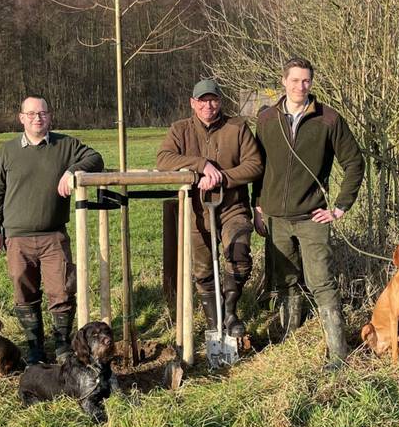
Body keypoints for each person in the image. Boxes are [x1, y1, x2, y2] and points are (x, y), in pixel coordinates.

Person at [253, 57, 364, 368]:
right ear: (283, 81)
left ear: (311, 83)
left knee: (322, 281)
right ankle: (290, 340)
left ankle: (338, 355)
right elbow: (258, 166)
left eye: (306, 81)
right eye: (294, 80)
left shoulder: (328, 120)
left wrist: (340, 207)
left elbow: (354, 163)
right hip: (274, 216)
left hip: (312, 217)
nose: (300, 86)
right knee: (284, 280)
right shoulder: (266, 119)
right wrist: (258, 205)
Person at [0, 96, 103, 364]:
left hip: (54, 235)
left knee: (61, 290)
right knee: (23, 291)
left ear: (49, 117)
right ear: (22, 118)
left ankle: (62, 345)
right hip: (17, 237)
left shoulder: (65, 145)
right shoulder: (8, 151)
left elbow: (95, 158)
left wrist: (72, 171)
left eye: (42, 113)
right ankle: (35, 347)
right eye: (31, 114)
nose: (37, 118)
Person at [156, 79, 263, 337]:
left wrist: (222, 177)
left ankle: (230, 313)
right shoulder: (180, 130)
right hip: (196, 210)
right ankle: (214, 323)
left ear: (220, 101)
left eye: (213, 99)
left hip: (232, 207)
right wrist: (201, 166)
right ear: (193, 103)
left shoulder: (236, 128)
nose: (208, 105)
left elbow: (255, 164)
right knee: (203, 268)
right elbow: (163, 160)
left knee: (239, 253)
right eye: (202, 100)